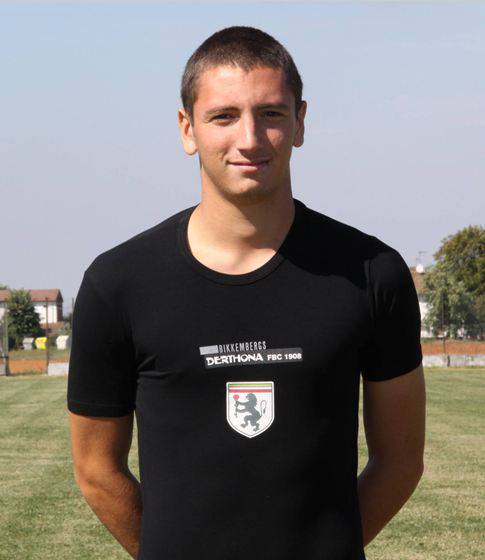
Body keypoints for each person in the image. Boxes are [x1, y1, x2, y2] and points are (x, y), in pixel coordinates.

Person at [67, 25, 426, 560]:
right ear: (187, 129)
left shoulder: (372, 273)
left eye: (271, 113)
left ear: (301, 121)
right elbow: (96, 470)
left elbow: (400, 462)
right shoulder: (117, 283)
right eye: (224, 116)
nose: (250, 138)